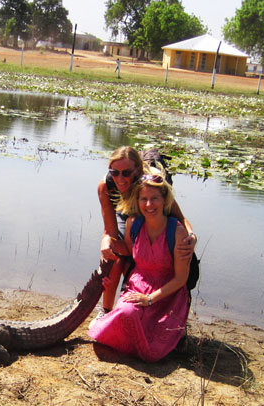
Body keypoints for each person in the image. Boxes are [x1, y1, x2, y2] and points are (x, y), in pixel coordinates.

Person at [88, 165, 191, 361]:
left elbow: (181, 279)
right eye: (144, 199)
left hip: (168, 293)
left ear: (164, 200)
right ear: (137, 201)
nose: (149, 204)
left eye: (154, 199)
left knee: (155, 347)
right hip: (139, 284)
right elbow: (128, 252)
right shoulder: (133, 224)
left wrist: (149, 299)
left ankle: (177, 332)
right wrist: (108, 244)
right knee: (126, 315)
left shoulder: (177, 231)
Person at [95, 146, 195, 318]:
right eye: (115, 172)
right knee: (116, 259)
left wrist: (191, 235)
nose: (120, 179)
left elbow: (180, 217)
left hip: (151, 213)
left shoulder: (151, 184)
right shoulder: (106, 186)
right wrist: (107, 242)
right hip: (127, 213)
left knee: (151, 258)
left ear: (137, 170)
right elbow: (110, 231)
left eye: (126, 173)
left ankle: (157, 305)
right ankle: (106, 311)